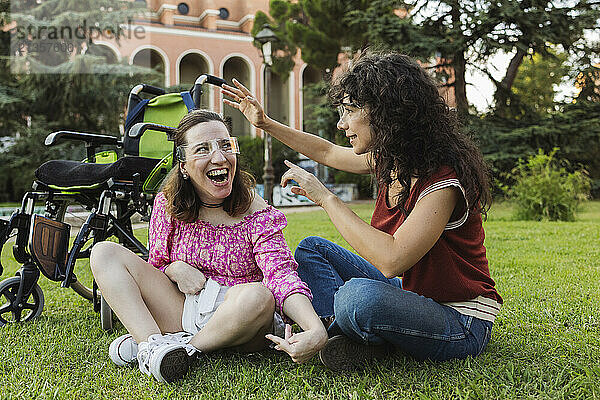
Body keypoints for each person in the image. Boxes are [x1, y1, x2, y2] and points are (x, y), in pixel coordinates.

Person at [221, 52, 503, 371]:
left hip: (461, 322)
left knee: (358, 297)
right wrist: (265, 123)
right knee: (312, 249)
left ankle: (351, 334)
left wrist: (327, 199)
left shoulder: (443, 181)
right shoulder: (394, 160)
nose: (342, 123)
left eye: (351, 110)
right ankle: (337, 336)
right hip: (413, 296)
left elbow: (392, 259)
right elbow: (327, 150)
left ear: (386, 114)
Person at [90, 109, 327, 383]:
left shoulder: (258, 213)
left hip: (242, 319)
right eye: (203, 149)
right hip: (185, 307)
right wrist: (172, 268)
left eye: (226, 145)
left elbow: (281, 277)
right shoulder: (167, 205)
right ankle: (152, 346)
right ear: (184, 165)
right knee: (103, 252)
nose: (219, 157)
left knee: (259, 295)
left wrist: (315, 329)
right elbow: (155, 265)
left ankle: (185, 351)